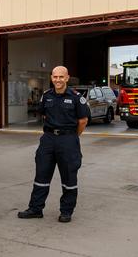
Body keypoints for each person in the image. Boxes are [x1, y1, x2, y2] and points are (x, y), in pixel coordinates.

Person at [17, 66, 89, 223]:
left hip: (68, 140)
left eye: (61, 77)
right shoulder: (46, 96)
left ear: (67, 78)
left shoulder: (77, 97)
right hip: (48, 140)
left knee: (69, 178)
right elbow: (43, 114)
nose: (58, 80)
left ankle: (66, 211)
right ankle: (36, 209)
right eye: (55, 77)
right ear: (51, 78)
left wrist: (70, 137)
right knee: (41, 175)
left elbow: (83, 121)